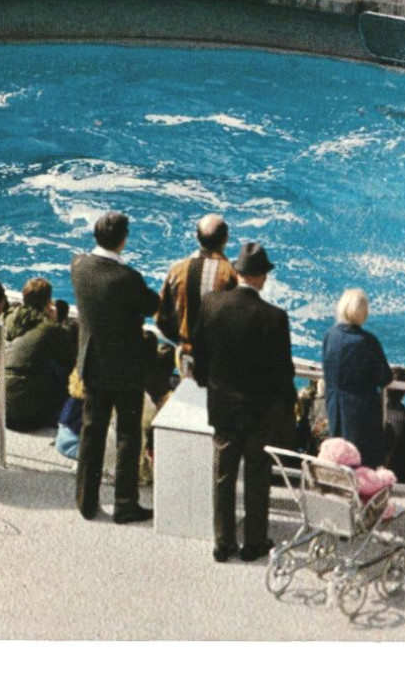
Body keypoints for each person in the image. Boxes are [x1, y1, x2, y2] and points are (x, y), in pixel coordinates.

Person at [192, 242, 295, 562]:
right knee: (256, 476)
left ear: (237, 272)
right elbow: (284, 372)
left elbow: (200, 354)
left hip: (222, 404)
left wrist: (207, 382)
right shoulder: (274, 317)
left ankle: (223, 543)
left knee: (223, 476)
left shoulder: (210, 305)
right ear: (262, 277)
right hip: (259, 410)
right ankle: (253, 543)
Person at [70, 211, 159, 523]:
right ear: (123, 240)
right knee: (127, 435)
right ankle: (125, 503)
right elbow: (151, 304)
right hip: (125, 368)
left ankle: (86, 500)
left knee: (92, 432)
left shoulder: (78, 266)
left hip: (92, 363)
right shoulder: (126, 278)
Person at [322, 288, 392, 467]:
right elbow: (384, 376)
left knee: (338, 456)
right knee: (361, 460)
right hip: (360, 411)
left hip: (334, 405)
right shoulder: (366, 341)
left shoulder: (330, 336)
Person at [0, 277, 75, 430]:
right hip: (26, 415)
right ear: (48, 302)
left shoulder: (6, 317)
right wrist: (56, 322)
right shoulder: (49, 328)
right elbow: (70, 358)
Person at [156, 213, 236, 354]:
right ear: (226, 238)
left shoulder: (176, 270)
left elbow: (161, 318)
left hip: (185, 355)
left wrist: (181, 342)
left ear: (197, 237)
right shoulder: (232, 274)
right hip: (220, 360)